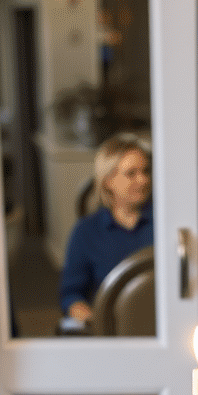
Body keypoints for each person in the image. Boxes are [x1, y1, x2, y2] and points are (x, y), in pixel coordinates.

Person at [59, 134, 153, 324]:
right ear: (108, 180)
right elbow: (71, 295)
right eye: (132, 173)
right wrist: (96, 323)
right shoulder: (86, 232)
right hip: (109, 330)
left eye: (146, 171)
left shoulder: (165, 223)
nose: (143, 180)